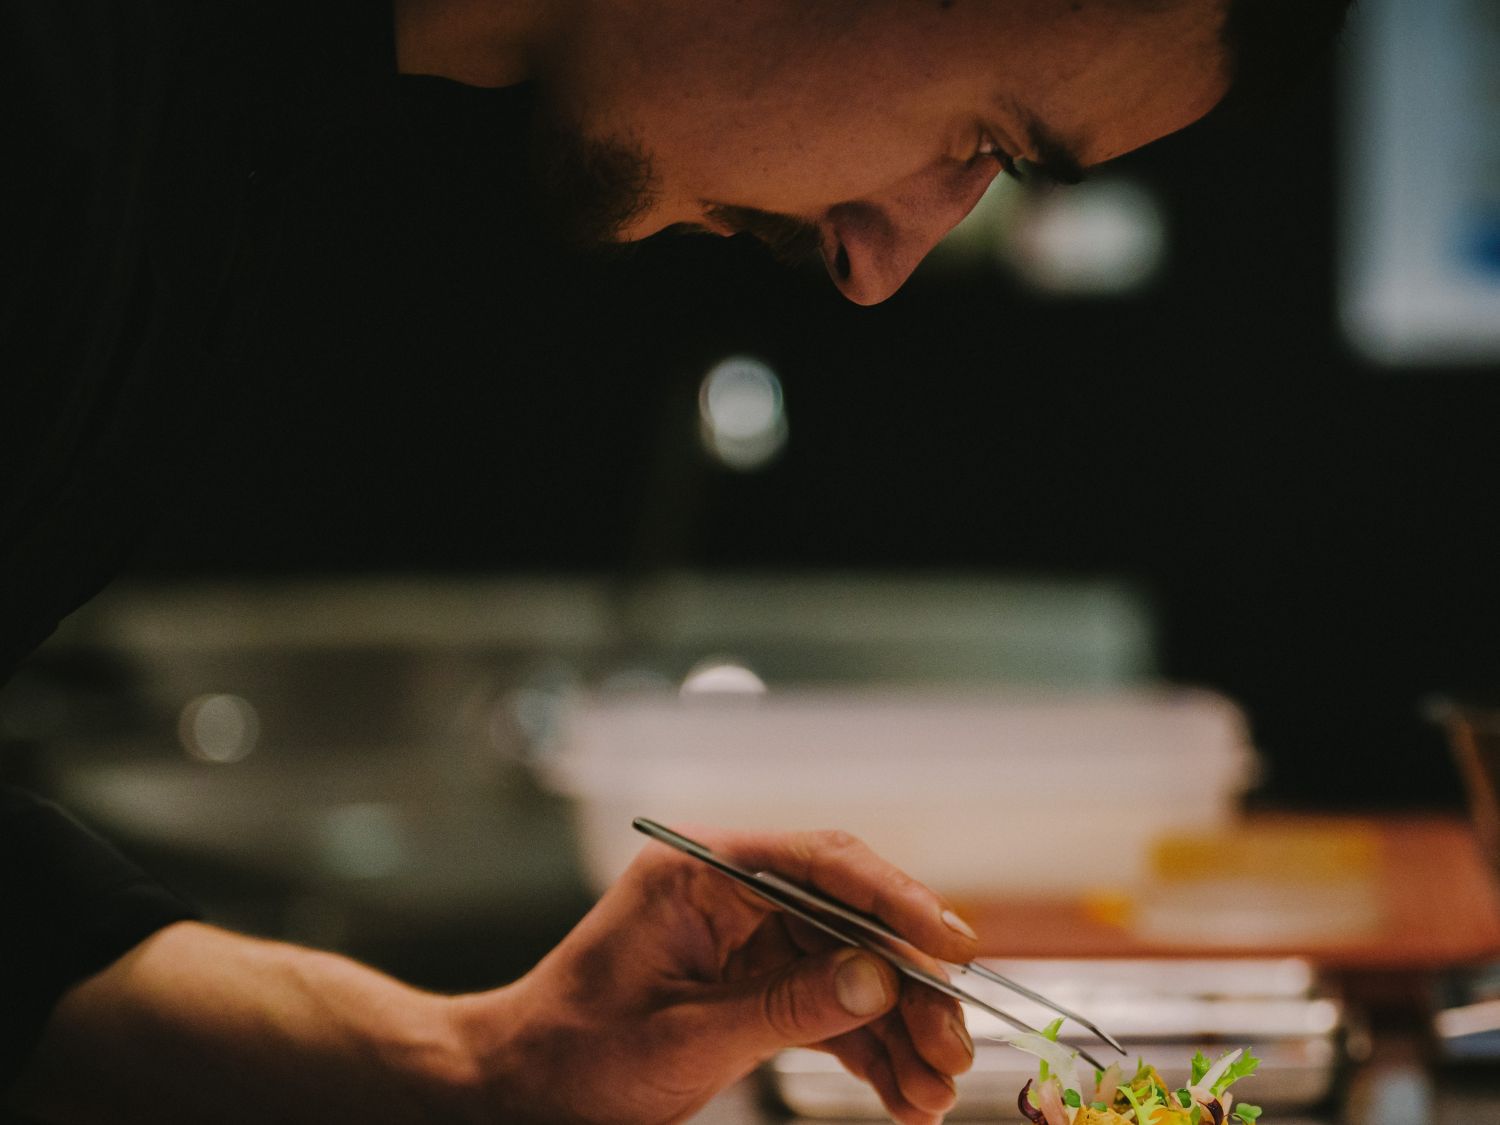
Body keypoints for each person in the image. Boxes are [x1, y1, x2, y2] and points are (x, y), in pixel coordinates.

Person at [1, 1, 1351, 1121]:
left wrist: (484, 1066)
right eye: (983, 136)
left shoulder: (218, 102)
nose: (879, 263)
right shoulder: (57, 77)